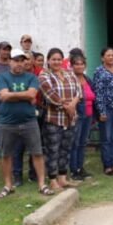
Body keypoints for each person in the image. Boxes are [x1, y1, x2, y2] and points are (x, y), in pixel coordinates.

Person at [0, 51, 50, 197]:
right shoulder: (2, 77)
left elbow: (31, 95)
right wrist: (23, 96)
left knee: (37, 153)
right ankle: (8, 185)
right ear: (10, 62)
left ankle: (42, 184)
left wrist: (11, 95)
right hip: (7, 122)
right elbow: (3, 96)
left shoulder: (31, 77)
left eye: (22, 61)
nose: (19, 64)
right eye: (16, 60)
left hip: (29, 121)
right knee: (6, 154)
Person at [39, 48, 81, 191]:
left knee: (66, 149)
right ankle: (52, 180)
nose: (56, 62)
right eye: (53, 59)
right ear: (48, 61)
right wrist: (67, 106)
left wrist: (73, 105)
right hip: (54, 119)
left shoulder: (69, 73)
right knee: (53, 150)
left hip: (70, 118)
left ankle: (63, 178)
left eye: (59, 59)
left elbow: (78, 91)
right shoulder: (44, 75)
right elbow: (51, 95)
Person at [93, 47, 113, 176]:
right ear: (102, 58)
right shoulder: (99, 71)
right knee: (106, 138)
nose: (111, 58)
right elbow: (98, 93)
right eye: (108, 55)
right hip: (106, 109)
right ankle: (107, 165)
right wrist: (101, 112)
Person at [68, 54, 94, 181]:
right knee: (75, 143)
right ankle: (74, 170)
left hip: (88, 114)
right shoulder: (70, 79)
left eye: (81, 64)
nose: (79, 66)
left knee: (83, 143)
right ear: (72, 66)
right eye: (76, 64)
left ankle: (80, 167)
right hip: (77, 114)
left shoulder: (87, 79)